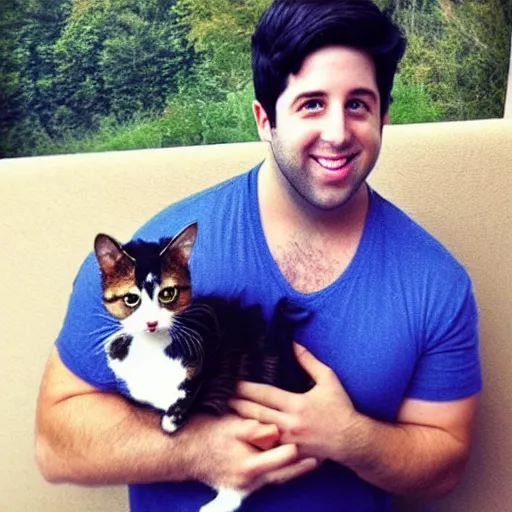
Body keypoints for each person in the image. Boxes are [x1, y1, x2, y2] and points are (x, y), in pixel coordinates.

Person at [35, 1, 482, 511]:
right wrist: (197, 450)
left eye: (358, 103)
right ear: (264, 118)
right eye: (311, 103)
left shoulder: (436, 283)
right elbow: (55, 441)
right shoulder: (149, 264)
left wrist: (349, 437)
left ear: (383, 114)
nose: (337, 132)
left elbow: (445, 463)